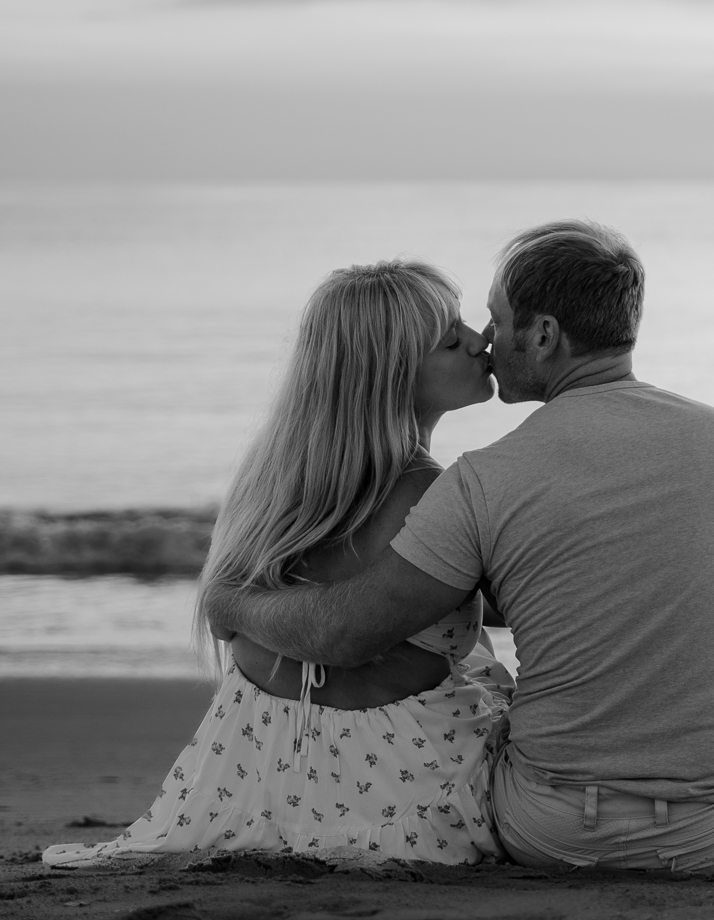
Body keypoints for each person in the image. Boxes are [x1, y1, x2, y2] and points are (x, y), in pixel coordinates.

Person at [205, 221, 714, 872]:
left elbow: (349, 631)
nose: (484, 339)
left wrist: (235, 600)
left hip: (548, 830)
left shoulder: (482, 481)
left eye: (495, 320)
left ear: (541, 335)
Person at [45, 260, 515, 867]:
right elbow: (530, 599)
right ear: (391, 375)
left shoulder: (276, 480)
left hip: (250, 773)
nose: (481, 341)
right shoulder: (429, 491)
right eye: (453, 340)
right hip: (397, 787)